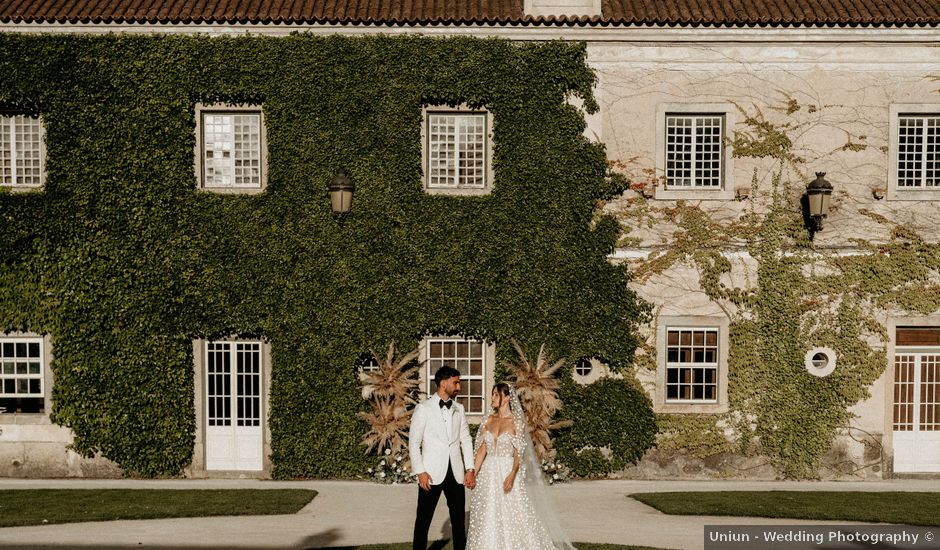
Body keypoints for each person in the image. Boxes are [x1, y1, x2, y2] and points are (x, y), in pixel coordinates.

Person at [466, 383, 576, 550]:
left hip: (507, 469)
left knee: (514, 512)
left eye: (496, 394)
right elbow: (482, 451)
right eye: (493, 394)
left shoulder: (516, 423)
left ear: (507, 398)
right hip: (488, 473)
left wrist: (512, 474)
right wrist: (472, 472)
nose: (493, 398)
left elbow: (519, 453)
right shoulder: (488, 420)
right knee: (488, 512)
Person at [409, 365, 476, 550]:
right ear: (443, 383)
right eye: (456, 383)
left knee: (458, 522)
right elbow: (414, 443)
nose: (459, 387)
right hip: (430, 474)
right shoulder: (423, 409)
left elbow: (465, 439)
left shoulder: (459, 409)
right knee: (423, 520)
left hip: (455, 473)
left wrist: (470, 469)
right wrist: (420, 472)